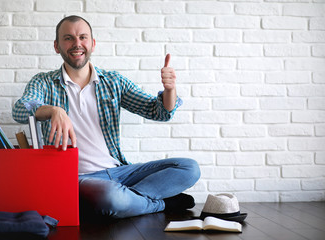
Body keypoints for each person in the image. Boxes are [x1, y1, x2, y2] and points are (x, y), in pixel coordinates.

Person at [12, 15, 200, 219]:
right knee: (109, 198)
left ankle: (131, 201)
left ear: (92, 44)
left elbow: (158, 112)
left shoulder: (113, 82)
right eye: (68, 38)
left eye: (83, 37)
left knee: (189, 168)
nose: (77, 44)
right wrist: (54, 110)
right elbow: (20, 110)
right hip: (78, 178)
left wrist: (169, 90)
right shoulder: (43, 82)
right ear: (57, 46)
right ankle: (162, 203)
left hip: (120, 172)